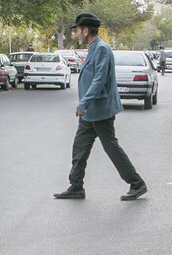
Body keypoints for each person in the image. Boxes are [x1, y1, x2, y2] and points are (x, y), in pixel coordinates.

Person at [53, 13, 146, 201]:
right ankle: (76, 186)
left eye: (77, 30)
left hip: (100, 109)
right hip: (90, 112)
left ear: (86, 30)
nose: (76, 34)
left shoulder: (102, 49)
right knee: (80, 148)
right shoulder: (93, 48)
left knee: (111, 148)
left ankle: (137, 184)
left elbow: (99, 79)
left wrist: (84, 102)